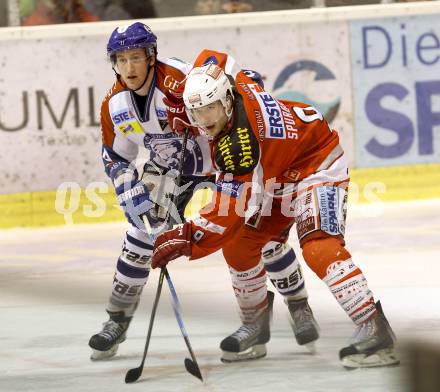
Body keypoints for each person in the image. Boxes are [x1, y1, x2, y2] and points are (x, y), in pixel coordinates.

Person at [150, 49, 399, 368]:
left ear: (226, 101)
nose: (205, 121)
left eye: (210, 109)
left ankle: (375, 328)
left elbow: (229, 214)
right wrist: (185, 95)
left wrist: (185, 238)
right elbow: (217, 57)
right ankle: (256, 325)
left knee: (319, 247)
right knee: (240, 247)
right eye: (197, 112)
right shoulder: (227, 80)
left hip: (315, 164)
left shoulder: (239, 146)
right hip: (275, 169)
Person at [87, 22, 216, 360]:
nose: (129, 67)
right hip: (168, 168)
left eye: (135, 57)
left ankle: (292, 306)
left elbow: (224, 98)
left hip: (220, 159)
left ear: (151, 56)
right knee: (139, 239)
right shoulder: (114, 104)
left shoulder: (181, 81)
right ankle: (116, 321)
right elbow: (115, 155)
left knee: (253, 230)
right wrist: (126, 187)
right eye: (121, 59)